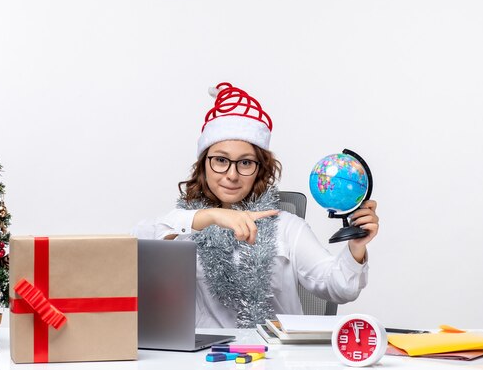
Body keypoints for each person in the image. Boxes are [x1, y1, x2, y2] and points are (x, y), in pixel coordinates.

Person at [132, 82, 379, 328]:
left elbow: (340, 288)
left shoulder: (287, 227)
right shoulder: (183, 225)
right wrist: (211, 216)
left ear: (260, 170)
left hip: (276, 358)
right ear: (203, 164)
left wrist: (356, 248)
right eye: (220, 160)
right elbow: (138, 242)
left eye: (246, 163)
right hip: (206, 357)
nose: (232, 174)